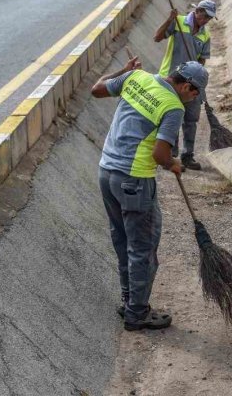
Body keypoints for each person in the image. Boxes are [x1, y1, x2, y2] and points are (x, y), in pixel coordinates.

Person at [92, 59, 209, 331]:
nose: (194, 99)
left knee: (122, 241)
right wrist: (173, 164)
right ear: (187, 85)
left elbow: (96, 89)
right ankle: (137, 313)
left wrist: (123, 69)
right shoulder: (173, 107)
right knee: (142, 249)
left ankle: (129, 300)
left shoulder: (136, 77)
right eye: (194, 94)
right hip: (134, 180)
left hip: (106, 172)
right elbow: (160, 154)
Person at [153, 0, 215, 170]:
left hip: (191, 83)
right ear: (198, 11)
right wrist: (169, 19)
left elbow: (202, 58)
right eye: (205, 16)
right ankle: (170, 155)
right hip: (171, 80)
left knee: (191, 119)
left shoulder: (205, 35)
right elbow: (157, 37)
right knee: (170, 117)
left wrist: (197, 72)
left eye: (209, 19)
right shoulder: (178, 22)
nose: (206, 21)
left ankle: (188, 156)